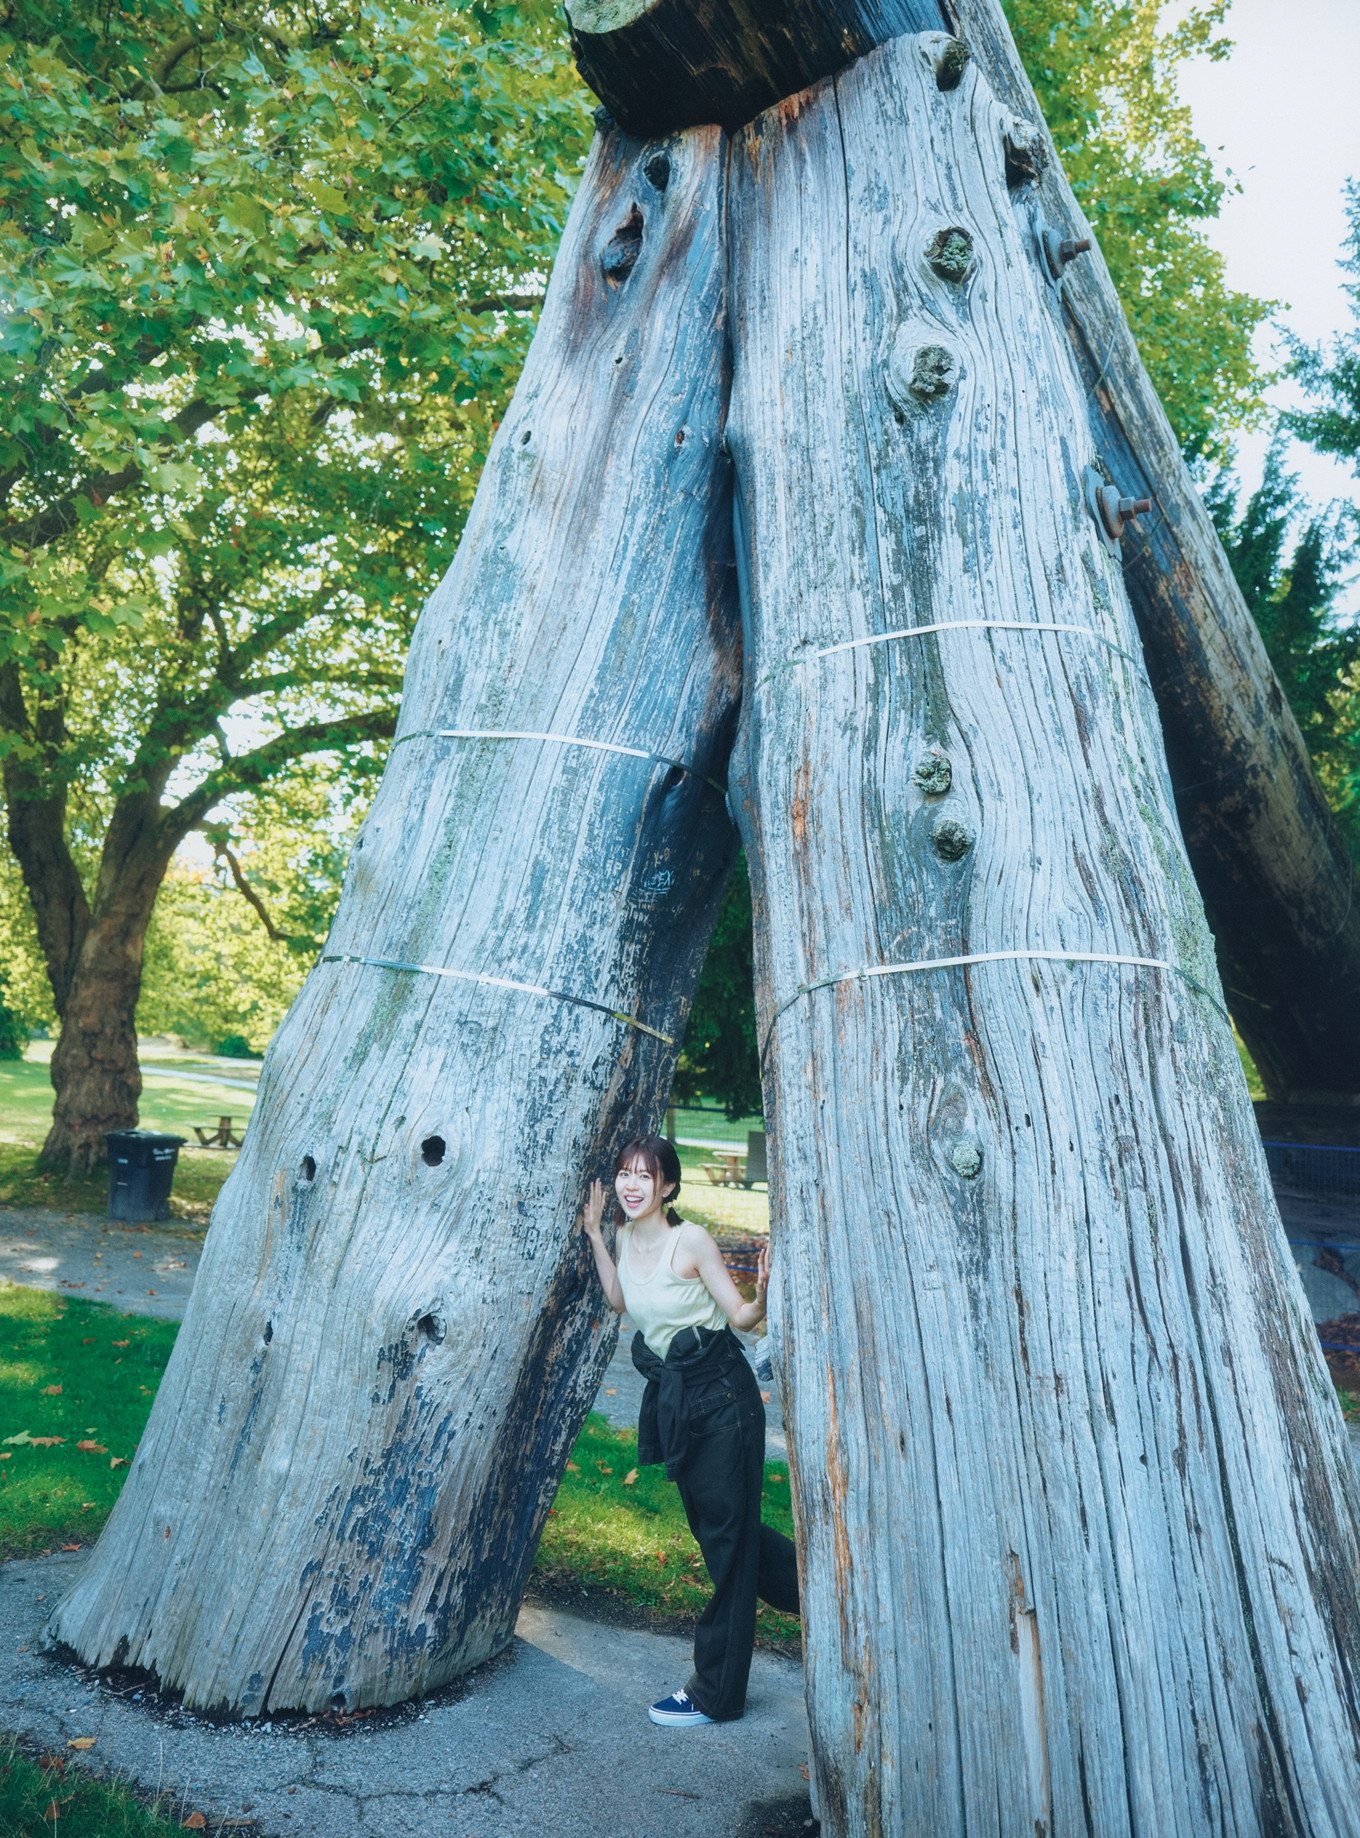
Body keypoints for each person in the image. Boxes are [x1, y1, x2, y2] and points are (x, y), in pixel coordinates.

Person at [579, 1133, 799, 1727]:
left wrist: (762, 1286)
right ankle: (822, 1593)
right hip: (681, 1404)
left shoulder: (691, 1240)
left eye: (644, 1176)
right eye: (625, 1173)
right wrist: (597, 1236)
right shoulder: (625, 1236)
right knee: (721, 1534)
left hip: (723, 1398)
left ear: (668, 1186)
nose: (630, 1185)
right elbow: (620, 1300)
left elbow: (741, 1318)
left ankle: (715, 1693)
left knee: (728, 1543)